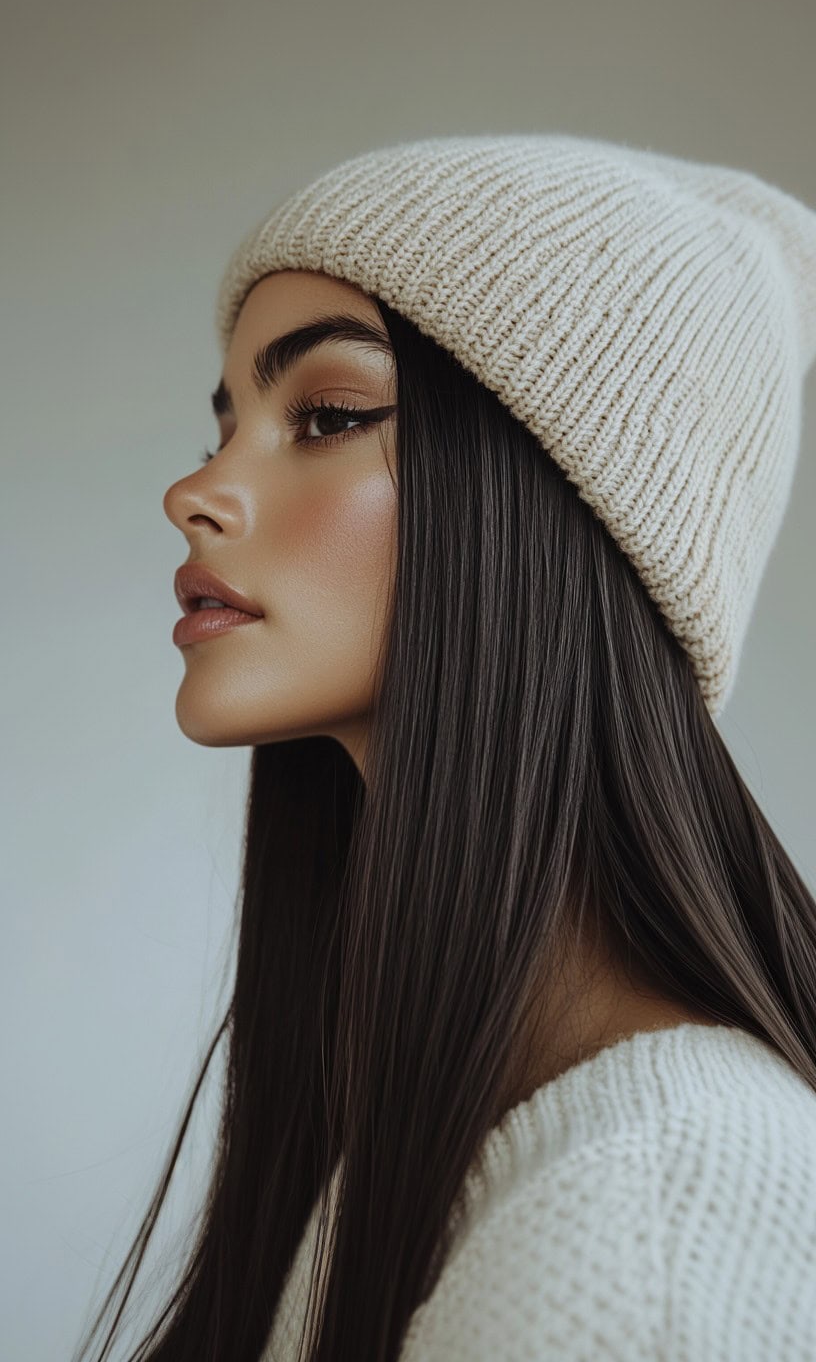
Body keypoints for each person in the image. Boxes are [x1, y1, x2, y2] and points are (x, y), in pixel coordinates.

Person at [74, 134, 816, 1362]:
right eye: (228, 420)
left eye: (324, 414)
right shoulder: (412, 1157)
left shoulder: (649, 1235)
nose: (195, 490)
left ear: (550, 511)